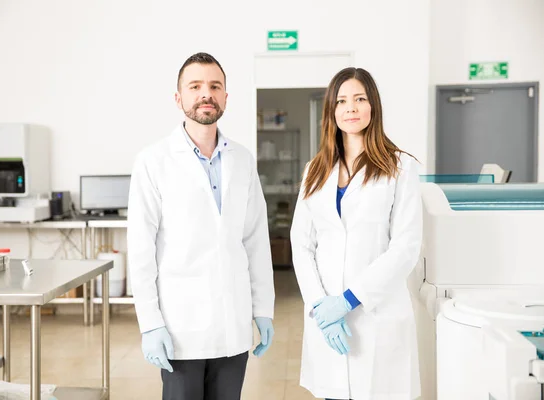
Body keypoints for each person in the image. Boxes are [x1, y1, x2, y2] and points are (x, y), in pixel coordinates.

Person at [127, 52, 275, 400]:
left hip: (232, 325)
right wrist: (150, 323)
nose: (205, 93)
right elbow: (140, 249)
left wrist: (263, 309)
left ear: (225, 97)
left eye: (214, 86)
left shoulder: (242, 159)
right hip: (180, 328)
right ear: (179, 98)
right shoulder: (152, 161)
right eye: (195, 86)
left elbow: (256, 241)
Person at [290, 67, 422, 400]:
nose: (350, 108)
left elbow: (405, 247)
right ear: (331, 111)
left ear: (373, 106)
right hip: (329, 323)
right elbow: (301, 244)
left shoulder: (400, 167)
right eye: (342, 101)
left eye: (359, 99)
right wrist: (323, 307)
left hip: (377, 315)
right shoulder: (315, 170)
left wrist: (347, 300)